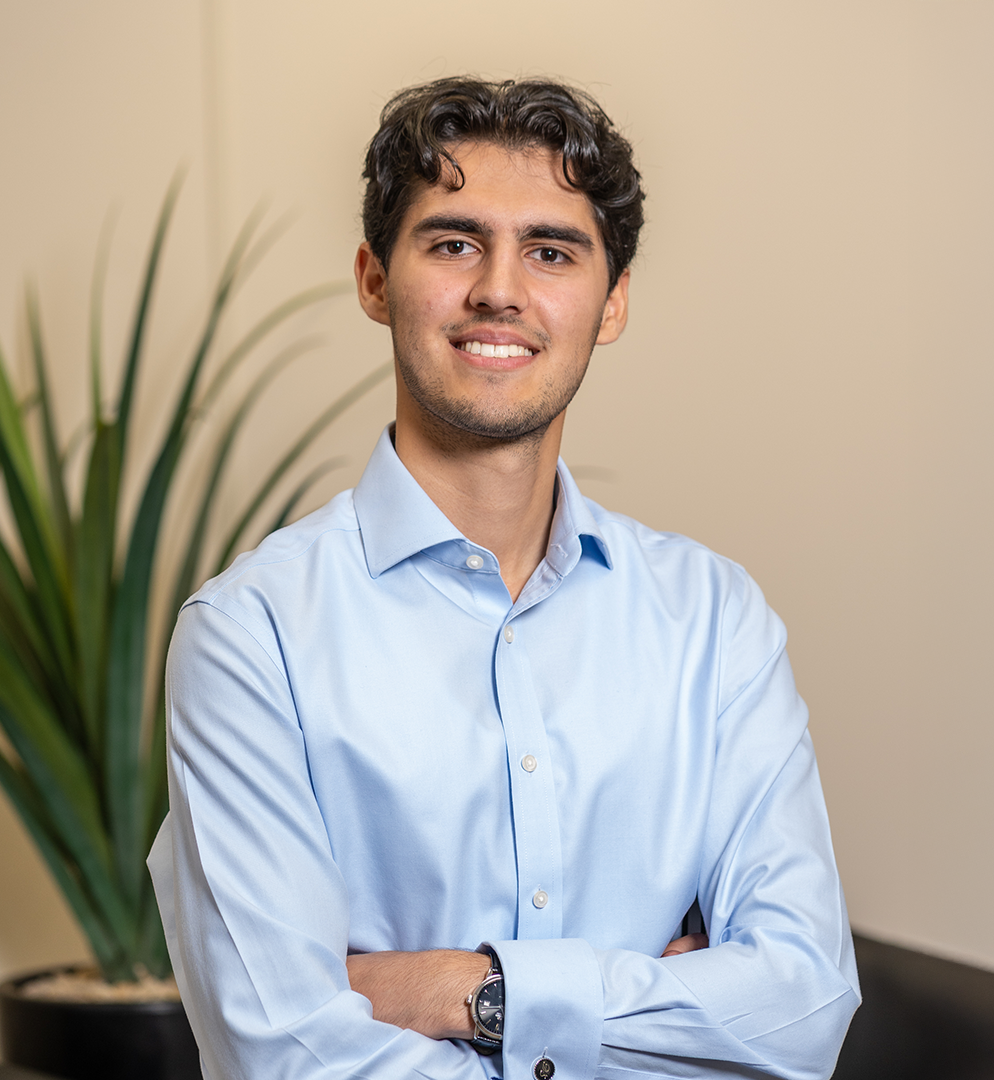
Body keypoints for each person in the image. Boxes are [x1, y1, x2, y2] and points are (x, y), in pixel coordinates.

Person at [146, 77, 859, 1080]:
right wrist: (649, 1010)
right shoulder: (249, 634)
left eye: (550, 251)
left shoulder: (712, 621)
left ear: (608, 303)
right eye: (450, 243)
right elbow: (287, 1059)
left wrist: (457, 994)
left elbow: (797, 1012)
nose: (498, 290)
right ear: (372, 280)